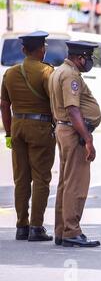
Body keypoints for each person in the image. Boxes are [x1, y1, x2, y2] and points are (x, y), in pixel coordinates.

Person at [0, 31, 55, 241]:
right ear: (42, 49)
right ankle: (36, 227)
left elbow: (4, 105)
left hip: (17, 127)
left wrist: (8, 133)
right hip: (40, 128)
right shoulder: (47, 72)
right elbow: (55, 104)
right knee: (41, 178)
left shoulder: (10, 73)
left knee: (21, 179)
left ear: (23, 50)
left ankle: (21, 225)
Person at [48, 41, 101, 247]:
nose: (89, 62)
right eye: (88, 58)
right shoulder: (70, 75)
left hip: (64, 129)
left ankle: (62, 231)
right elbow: (73, 109)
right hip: (73, 132)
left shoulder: (59, 71)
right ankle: (72, 231)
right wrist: (88, 139)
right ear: (80, 58)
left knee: (65, 182)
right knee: (76, 184)